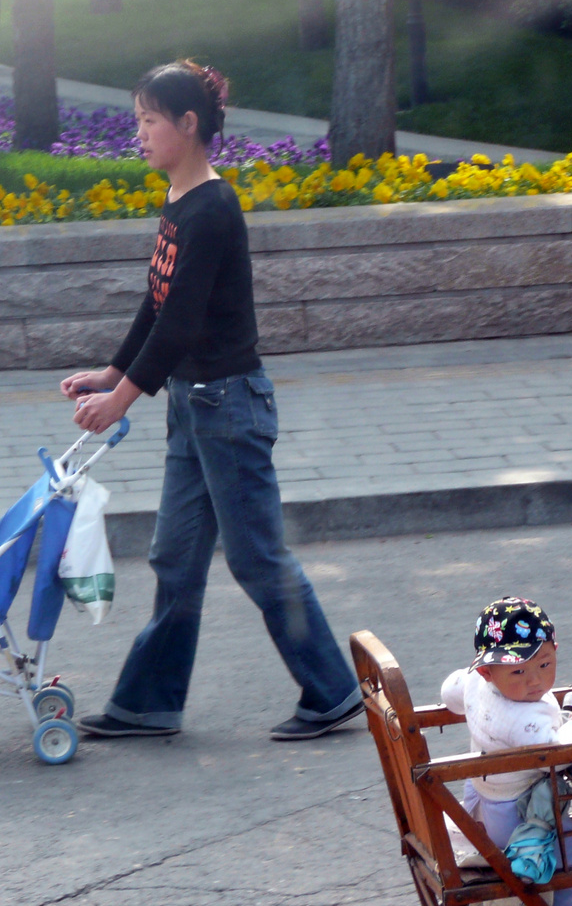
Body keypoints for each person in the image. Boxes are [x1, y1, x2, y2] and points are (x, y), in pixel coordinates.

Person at [60, 60, 362, 742]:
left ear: (188, 125)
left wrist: (123, 399)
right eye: (137, 119)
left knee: (256, 556)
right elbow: (157, 300)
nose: (137, 133)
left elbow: (184, 323)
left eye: (148, 120)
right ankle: (149, 704)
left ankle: (334, 690)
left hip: (228, 406)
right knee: (175, 556)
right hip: (193, 408)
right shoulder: (179, 203)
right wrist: (111, 374)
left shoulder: (215, 208)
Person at [440, 597, 572, 906]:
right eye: (518, 671)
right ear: (487, 671)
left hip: (480, 796)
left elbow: (448, 693)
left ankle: (567, 905)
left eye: (545, 664)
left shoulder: (473, 682)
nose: (535, 681)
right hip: (515, 812)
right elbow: (553, 757)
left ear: (555, 650)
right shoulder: (523, 719)